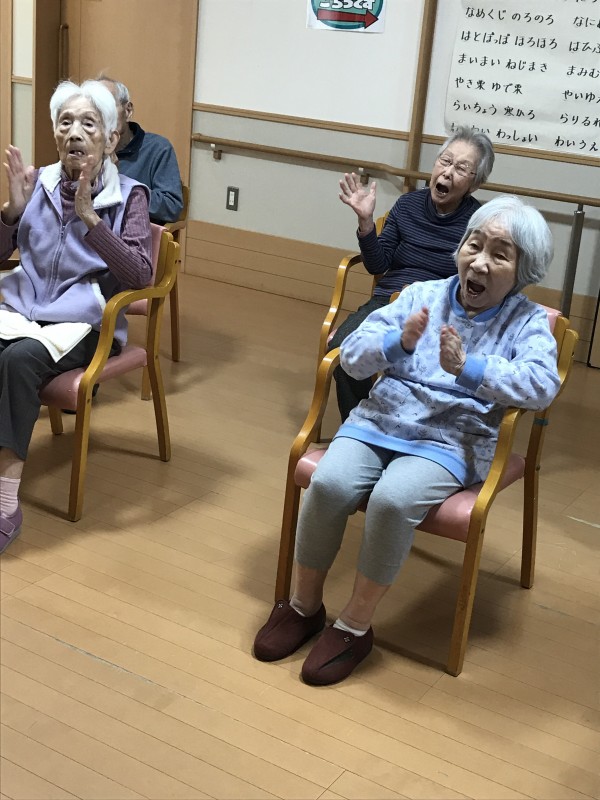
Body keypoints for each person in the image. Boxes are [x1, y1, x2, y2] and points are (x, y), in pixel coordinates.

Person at [254, 195, 561, 686]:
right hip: (381, 420)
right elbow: (351, 356)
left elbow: (542, 386)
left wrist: (469, 367)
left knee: (393, 500)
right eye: (474, 245)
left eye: (500, 255)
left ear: (524, 272)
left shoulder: (526, 322)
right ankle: (304, 607)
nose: (479, 262)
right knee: (329, 484)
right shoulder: (421, 295)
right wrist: (397, 344)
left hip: (452, 438)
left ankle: (354, 627)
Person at [0, 79, 152, 553]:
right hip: (20, 310)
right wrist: (11, 214)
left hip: (83, 323)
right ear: (54, 133)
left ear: (111, 137)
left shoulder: (130, 195)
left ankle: (5, 503)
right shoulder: (38, 182)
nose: (75, 133)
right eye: (65, 122)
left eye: (89, 123)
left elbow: (140, 275)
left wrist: (91, 220)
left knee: (17, 361)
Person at [332, 126, 495, 421]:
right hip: (388, 303)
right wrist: (366, 222)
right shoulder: (407, 205)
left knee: (422, 372)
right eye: (445, 161)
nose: (447, 173)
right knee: (342, 350)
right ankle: (358, 424)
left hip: (440, 314)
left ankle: (408, 429)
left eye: (461, 168)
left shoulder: (478, 223)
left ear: (475, 183)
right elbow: (378, 266)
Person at [98, 75, 183, 225]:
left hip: (134, 233)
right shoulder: (85, 148)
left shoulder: (158, 148)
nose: (103, 116)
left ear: (128, 111)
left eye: (108, 106)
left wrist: (119, 184)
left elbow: (171, 207)